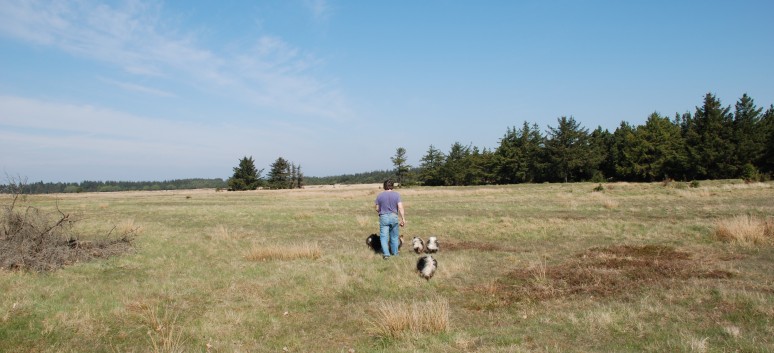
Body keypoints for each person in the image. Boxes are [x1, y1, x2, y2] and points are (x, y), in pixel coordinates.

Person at [374, 179, 405, 259]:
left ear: (384, 186)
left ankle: (386, 254)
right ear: (392, 186)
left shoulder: (380, 195)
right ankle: (395, 253)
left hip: (383, 217)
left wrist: (381, 210)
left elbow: (377, 208)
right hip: (394, 216)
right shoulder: (397, 195)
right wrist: (403, 219)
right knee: (394, 237)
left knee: (384, 237)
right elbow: (400, 207)